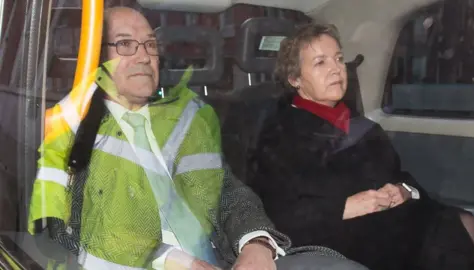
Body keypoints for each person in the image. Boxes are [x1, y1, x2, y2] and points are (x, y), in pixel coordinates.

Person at [27, 7, 369, 270]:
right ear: (98, 58)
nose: (144, 56)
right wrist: (175, 260)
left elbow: (229, 192)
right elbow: (72, 227)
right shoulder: (73, 131)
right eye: (126, 44)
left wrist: (256, 243)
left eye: (150, 44)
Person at [246, 23, 474, 270]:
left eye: (338, 59)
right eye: (320, 63)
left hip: (391, 223)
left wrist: (404, 191)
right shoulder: (279, 136)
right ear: (295, 79)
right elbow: (277, 212)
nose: (336, 69)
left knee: (460, 221)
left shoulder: (360, 125)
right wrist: (345, 207)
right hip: (341, 237)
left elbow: (399, 173)